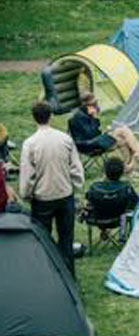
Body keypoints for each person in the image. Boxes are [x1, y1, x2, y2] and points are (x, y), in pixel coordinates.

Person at [20, 101, 84, 274]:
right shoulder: (65, 139)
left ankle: (45, 275)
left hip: (42, 198)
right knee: (66, 239)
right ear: (51, 116)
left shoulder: (30, 144)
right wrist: (75, 185)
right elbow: (76, 168)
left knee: (43, 240)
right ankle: (69, 275)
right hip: (65, 195)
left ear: (34, 118)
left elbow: (27, 174)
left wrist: (26, 194)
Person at [68, 92, 139, 174]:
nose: (95, 104)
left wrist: (102, 127)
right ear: (86, 103)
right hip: (88, 145)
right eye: (93, 102)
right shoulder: (78, 117)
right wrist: (94, 118)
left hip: (95, 140)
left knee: (122, 139)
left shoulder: (85, 113)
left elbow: (96, 132)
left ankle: (128, 167)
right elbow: (90, 133)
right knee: (122, 130)